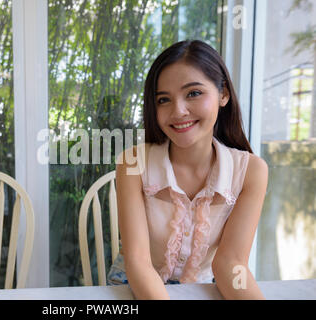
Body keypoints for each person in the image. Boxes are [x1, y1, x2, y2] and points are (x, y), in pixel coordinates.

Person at [108, 39, 268, 300]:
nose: (178, 111)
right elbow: (137, 261)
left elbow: (231, 264)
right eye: (163, 100)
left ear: (223, 94)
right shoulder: (132, 163)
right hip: (132, 283)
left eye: (193, 93)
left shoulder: (251, 171)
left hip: (201, 287)